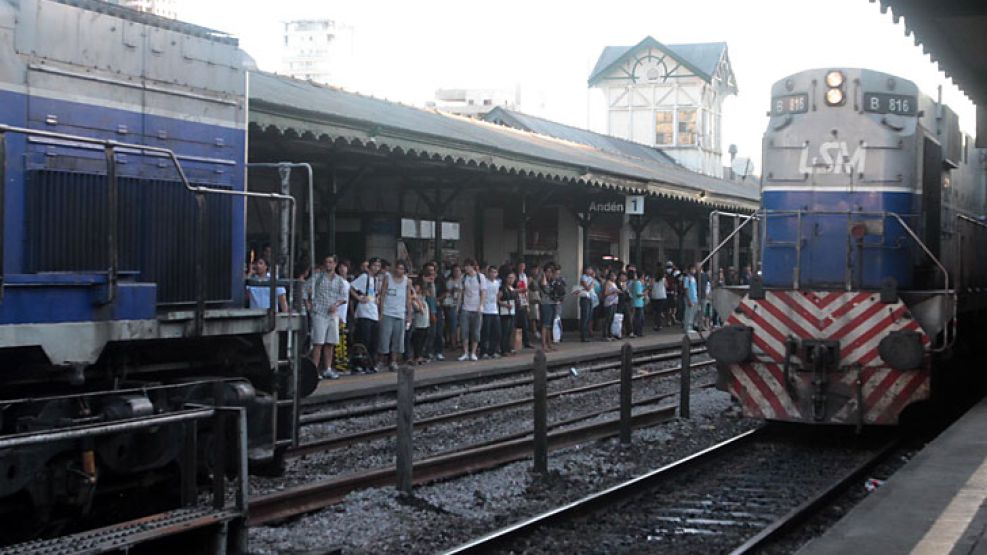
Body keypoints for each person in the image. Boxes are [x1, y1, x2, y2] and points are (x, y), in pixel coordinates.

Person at [304, 255, 348, 379]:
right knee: (318, 342)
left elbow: (343, 297)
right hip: (319, 313)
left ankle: (328, 368)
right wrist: (308, 305)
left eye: (330, 262)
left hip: (333, 314)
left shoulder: (339, 280)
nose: (328, 265)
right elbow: (304, 290)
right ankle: (314, 369)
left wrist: (336, 304)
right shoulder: (317, 278)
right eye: (326, 262)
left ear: (335, 264)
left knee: (330, 342)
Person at [377, 260, 413, 372]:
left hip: (400, 313)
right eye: (398, 268)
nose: (399, 271)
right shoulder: (388, 278)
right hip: (388, 312)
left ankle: (393, 361)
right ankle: (381, 360)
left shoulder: (407, 281)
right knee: (384, 337)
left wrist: (409, 313)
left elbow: (408, 298)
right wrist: (381, 311)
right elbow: (382, 295)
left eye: (402, 269)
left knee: (398, 339)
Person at [350, 257, 382, 371]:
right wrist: (358, 297)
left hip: (373, 312)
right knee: (364, 340)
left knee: (374, 340)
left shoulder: (376, 279)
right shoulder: (364, 277)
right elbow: (351, 287)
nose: (376, 268)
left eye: (378, 266)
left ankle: (371, 363)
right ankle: (361, 364)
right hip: (364, 312)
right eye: (374, 265)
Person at [458, 260, 484, 361]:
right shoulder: (463, 277)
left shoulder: (480, 277)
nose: (466, 268)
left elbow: (483, 292)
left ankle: (473, 352)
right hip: (465, 307)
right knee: (464, 331)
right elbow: (461, 292)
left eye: (468, 266)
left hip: (476, 307)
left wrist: (481, 305)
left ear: (473, 267)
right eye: (465, 266)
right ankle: (465, 352)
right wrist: (458, 306)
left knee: (476, 331)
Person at [539, 263, 565, 351]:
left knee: (549, 325)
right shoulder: (543, 280)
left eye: (551, 272)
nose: (550, 273)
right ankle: (543, 345)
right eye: (548, 271)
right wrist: (544, 276)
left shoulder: (553, 281)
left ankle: (549, 343)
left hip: (553, 303)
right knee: (545, 325)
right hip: (546, 304)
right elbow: (546, 289)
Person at [421, 262, 444, 360]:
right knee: (429, 332)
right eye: (429, 271)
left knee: (437, 332)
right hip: (426, 309)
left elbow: (442, 293)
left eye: (432, 270)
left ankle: (437, 351)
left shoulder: (437, 281)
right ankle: (426, 352)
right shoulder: (423, 283)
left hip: (436, 308)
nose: (431, 273)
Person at [479, 265, 501, 359]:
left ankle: (492, 351)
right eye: (491, 272)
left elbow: (496, 295)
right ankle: (483, 351)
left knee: (495, 332)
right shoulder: (485, 283)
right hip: (486, 310)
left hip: (494, 310)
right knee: (485, 332)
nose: (493, 274)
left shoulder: (497, 283)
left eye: (495, 272)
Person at [497, 269, 518, 355]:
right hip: (505, 312)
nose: (511, 280)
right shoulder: (503, 288)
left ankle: (509, 348)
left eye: (513, 278)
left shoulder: (512, 288)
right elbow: (497, 300)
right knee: (504, 331)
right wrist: (505, 305)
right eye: (509, 278)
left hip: (512, 312)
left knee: (510, 331)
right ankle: (503, 349)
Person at [444, 264, 463, 351]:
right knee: (453, 324)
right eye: (455, 271)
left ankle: (459, 341)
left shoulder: (463, 281)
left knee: (459, 324)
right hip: (451, 304)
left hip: (462, 304)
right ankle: (452, 342)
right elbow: (448, 293)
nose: (457, 273)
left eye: (458, 271)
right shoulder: (449, 281)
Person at [411, 281, 431, 365]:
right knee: (417, 341)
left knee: (423, 339)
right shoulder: (412, 298)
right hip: (418, 323)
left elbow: (429, 293)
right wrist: (416, 297)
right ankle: (416, 356)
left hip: (425, 322)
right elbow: (419, 309)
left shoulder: (423, 297)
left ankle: (421, 355)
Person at [515, 262, 533, 349]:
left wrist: (528, 303)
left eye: (523, 266)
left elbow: (527, 290)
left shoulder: (525, 276)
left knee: (525, 323)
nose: (522, 267)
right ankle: (516, 341)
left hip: (524, 300)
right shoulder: (515, 276)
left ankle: (526, 341)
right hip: (517, 301)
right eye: (520, 266)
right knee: (517, 323)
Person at [578, 266, 595, 342]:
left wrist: (592, 281)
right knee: (584, 316)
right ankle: (582, 335)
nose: (590, 271)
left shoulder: (591, 278)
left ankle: (586, 333)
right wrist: (592, 282)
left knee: (589, 316)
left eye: (591, 269)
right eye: (589, 269)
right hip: (584, 298)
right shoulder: (583, 277)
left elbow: (592, 287)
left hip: (590, 298)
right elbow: (587, 287)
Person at [602, 271, 619, 341]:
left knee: (612, 319)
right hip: (609, 302)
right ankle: (605, 335)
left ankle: (610, 334)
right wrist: (614, 292)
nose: (614, 277)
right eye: (613, 276)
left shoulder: (614, 283)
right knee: (608, 319)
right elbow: (606, 293)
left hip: (614, 302)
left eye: (615, 276)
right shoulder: (608, 283)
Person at [528, 265, 543, 341]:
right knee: (533, 315)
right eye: (534, 270)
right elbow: (527, 288)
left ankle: (537, 329)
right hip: (532, 296)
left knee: (538, 314)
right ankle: (534, 330)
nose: (535, 271)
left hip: (538, 296)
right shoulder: (530, 278)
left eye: (536, 270)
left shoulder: (539, 278)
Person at [629, 270, 645, 338]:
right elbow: (639, 294)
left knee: (637, 318)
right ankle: (638, 332)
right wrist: (645, 293)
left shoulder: (633, 282)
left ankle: (636, 331)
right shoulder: (638, 283)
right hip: (638, 303)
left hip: (634, 302)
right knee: (639, 318)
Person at [683, 264, 699, 333]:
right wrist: (688, 299)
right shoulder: (687, 278)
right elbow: (686, 289)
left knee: (693, 313)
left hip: (694, 298)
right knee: (688, 313)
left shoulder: (693, 278)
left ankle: (691, 326)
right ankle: (687, 328)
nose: (694, 270)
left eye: (694, 269)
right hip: (690, 298)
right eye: (693, 269)